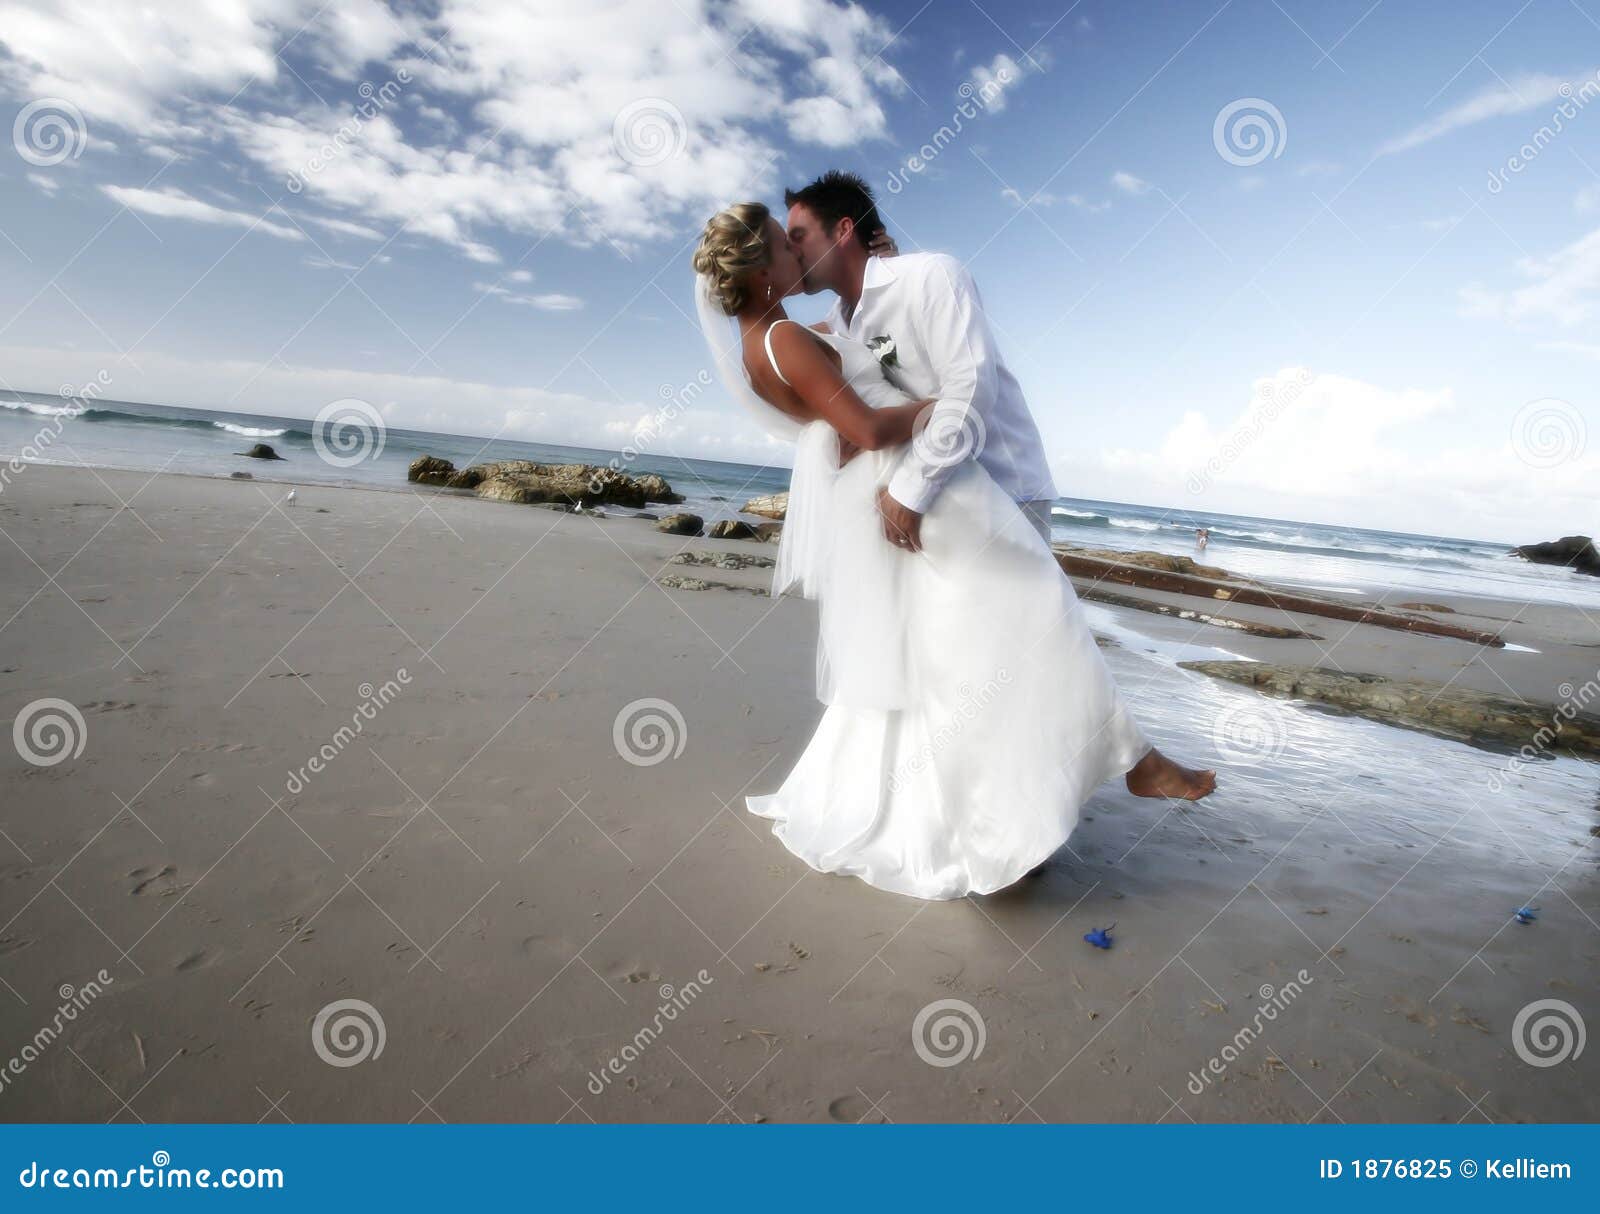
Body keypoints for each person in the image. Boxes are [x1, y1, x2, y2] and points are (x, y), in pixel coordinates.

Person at [691, 200, 1214, 901]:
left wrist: (878, 278)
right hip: (916, 483)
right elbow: (872, 428)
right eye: (785, 247)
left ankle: (1025, 798)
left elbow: (858, 350)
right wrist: (940, 404)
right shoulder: (782, 337)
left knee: (960, 648)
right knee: (1040, 608)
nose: (796, 252)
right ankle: (1130, 764)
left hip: (907, 486)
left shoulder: (767, 341)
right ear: (761, 271)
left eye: (801, 238)